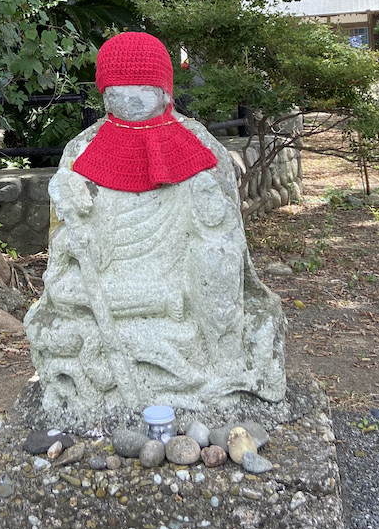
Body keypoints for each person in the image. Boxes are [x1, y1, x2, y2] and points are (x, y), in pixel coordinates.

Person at [24, 31, 286, 416]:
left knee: (217, 256)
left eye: (143, 88)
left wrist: (205, 204)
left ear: (165, 90)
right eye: (119, 89)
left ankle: (226, 364)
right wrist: (79, 239)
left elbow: (222, 224)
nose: (131, 98)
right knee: (64, 295)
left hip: (179, 276)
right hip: (111, 274)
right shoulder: (81, 150)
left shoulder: (198, 143)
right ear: (102, 93)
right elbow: (65, 233)